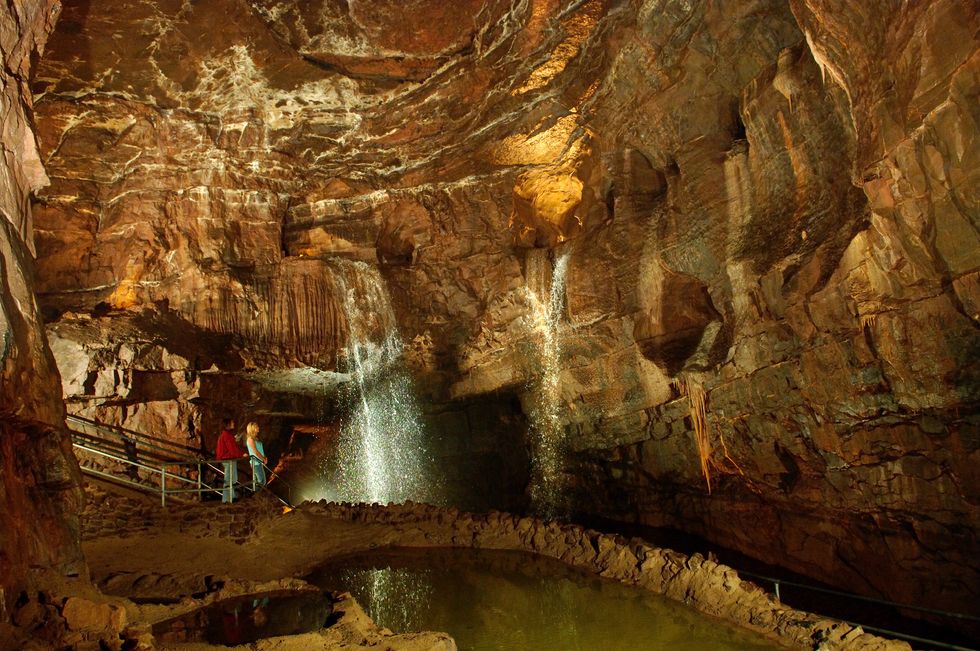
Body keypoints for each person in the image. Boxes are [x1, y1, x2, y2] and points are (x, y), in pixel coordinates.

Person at [216, 418, 245, 503]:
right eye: (232, 422)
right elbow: (232, 449)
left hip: (229, 459)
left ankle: (232, 496)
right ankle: (226, 499)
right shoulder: (226, 435)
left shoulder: (226, 435)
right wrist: (241, 454)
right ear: (228, 424)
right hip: (228, 459)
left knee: (233, 478)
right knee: (229, 479)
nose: (234, 423)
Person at [245, 421, 268, 489]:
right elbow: (255, 451)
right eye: (256, 426)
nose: (258, 427)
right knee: (261, 481)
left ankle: (256, 496)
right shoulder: (250, 439)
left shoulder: (256, 439)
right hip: (255, 462)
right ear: (252, 428)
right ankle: (255, 496)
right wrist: (263, 459)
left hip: (259, 462)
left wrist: (264, 457)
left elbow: (260, 450)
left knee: (262, 481)